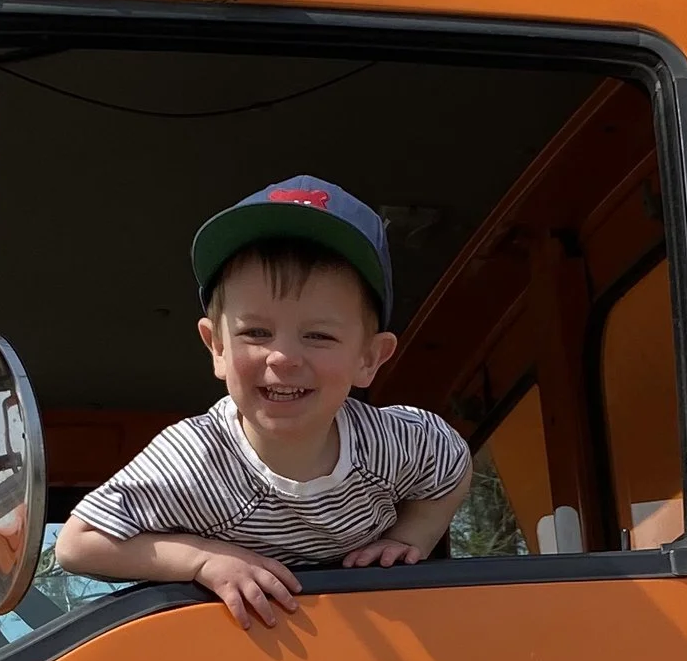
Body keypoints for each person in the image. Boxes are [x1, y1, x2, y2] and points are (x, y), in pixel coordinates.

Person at [55, 176, 472, 631]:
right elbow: (78, 543)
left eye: (318, 336)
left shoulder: (395, 444)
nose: (284, 358)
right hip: (246, 657)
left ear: (368, 359)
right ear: (216, 348)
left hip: (370, 645)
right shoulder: (195, 459)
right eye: (256, 333)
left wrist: (410, 537)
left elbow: (453, 469)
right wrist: (203, 560)